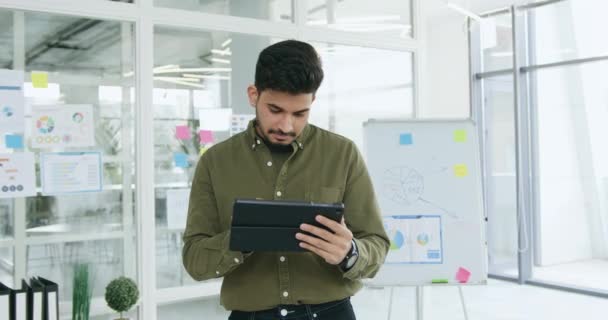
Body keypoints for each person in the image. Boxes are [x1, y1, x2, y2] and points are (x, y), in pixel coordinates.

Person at [183, 39, 389, 320]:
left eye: (299, 113)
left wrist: (350, 253)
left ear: (312, 102)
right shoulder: (215, 162)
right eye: (275, 110)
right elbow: (194, 260)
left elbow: (376, 243)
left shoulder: (343, 154)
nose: (286, 126)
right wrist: (238, 241)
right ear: (253, 95)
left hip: (331, 312)